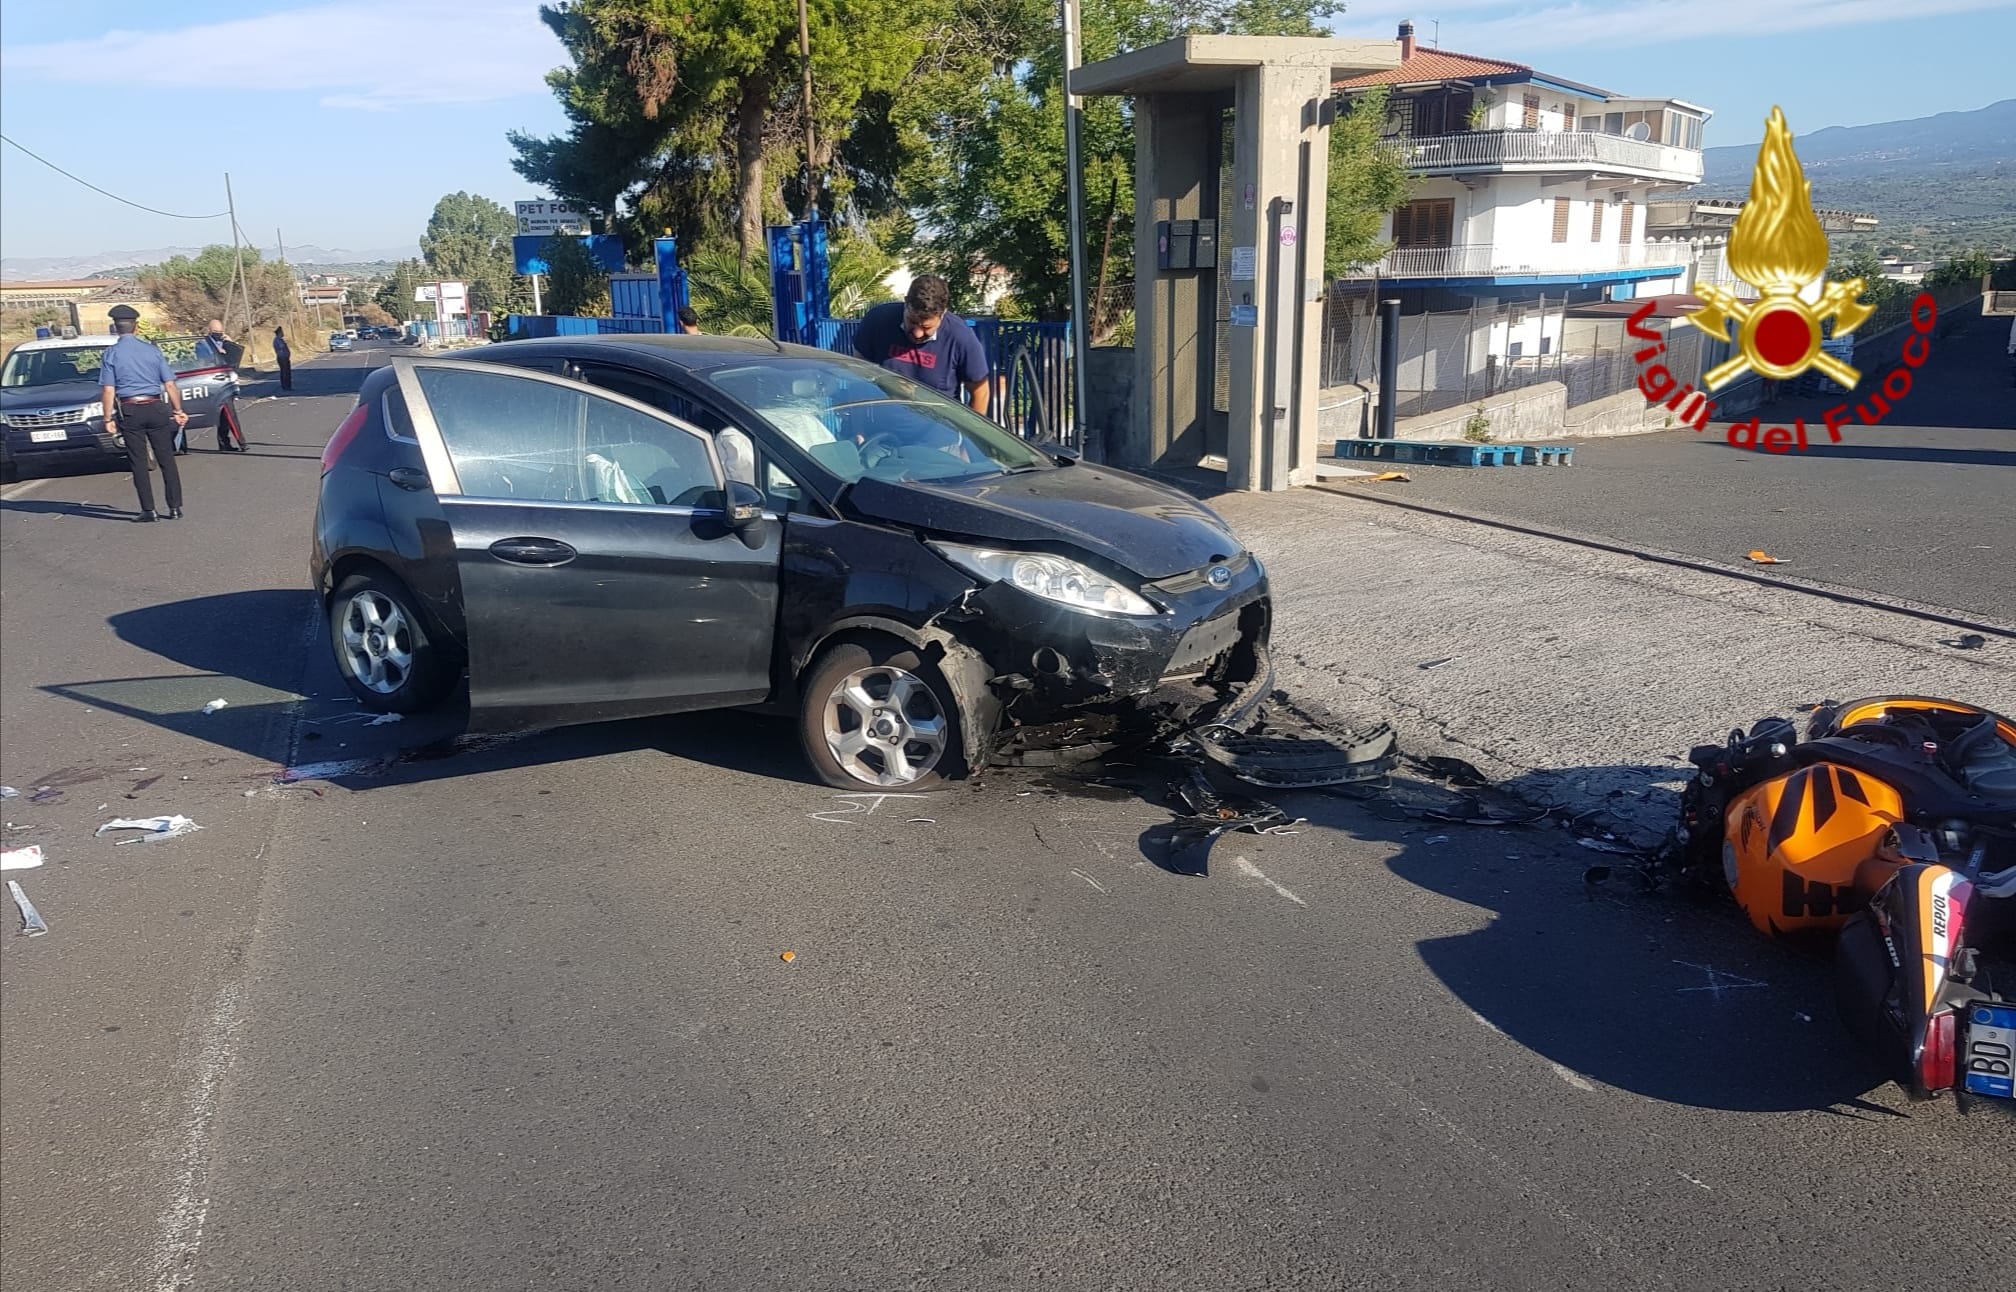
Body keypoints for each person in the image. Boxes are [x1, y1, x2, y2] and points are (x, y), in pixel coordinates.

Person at [98, 304, 190, 522]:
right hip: (156, 407)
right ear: (136, 327)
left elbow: (108, 390)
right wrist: (178, 410)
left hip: (130, 410)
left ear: (115, 327)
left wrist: (107, 418)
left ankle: (149, 510)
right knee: (166, 458)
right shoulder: (152, 350)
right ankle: (175, 507)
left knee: (138, 461)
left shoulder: (111, 354)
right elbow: (169, 384)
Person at [851, 274, 991, 416]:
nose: (917, 333)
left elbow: (980, 392)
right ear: (905, 303)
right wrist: (858, 425)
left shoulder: (961, 337)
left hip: (941, 432)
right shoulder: (878, 321)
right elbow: (857, 374)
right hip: (882, 428)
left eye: (926, 327)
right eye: (912, 322)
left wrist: (970, 437)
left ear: (942, 314)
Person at [273, 326, 293, 391]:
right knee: (284, 372)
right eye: (282, 332)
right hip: (282, 358)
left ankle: (288, 386)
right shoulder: (277, 340)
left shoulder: (280, 339)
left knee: (287, 372)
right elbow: (281, 347)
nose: (283, 333)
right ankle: (285, 386)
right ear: (279, 332)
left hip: (285, 357)